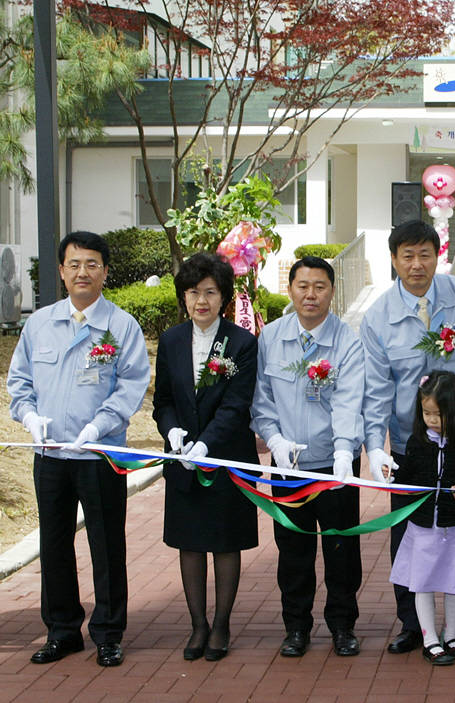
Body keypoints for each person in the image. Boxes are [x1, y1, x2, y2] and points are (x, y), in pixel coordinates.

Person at [361, 220, 455, 654]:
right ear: (393, 260)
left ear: (438, 256)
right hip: (410, 447)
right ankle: (412, 623)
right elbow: (376, 388)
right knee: (410, 532)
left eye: (425, 254)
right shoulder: (378, 316)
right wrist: (374, 446)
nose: (417, 264)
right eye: (407, 255)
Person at [8, 231, 150, 667]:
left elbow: (131, 385)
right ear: (61, 271)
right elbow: (19, 382)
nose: (82, 272)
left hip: (101, 454)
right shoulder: (39, 323)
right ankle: (63, 630)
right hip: (50, 456)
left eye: (92, 264)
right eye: (74, 264)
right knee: (53, 544)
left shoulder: (121, 325)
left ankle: (108, 633)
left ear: (105, 271)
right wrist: (29, 417)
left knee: (106, 544)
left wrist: (99, 426)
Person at [251, 256, 364, 659]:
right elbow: (261, 399)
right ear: (291, 289)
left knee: (341, 553)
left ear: (332, 291)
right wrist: (275, 440)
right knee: (293, 552)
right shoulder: (271, 338)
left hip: (335, 465)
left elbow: (350, 401)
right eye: (303, 286)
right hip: (289, 467)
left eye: (320, 286)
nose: (310, 294)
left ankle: (342, 626)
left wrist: (343, 451)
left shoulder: (348, 341)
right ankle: (296, 627)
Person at [152, 252, 259, 662]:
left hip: (226, 457)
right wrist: (172, 430)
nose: (201, 300)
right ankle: (197, 625)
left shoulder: (242, 343)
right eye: (193, 292)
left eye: (210, 292)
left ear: (224, 297)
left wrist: (206, 445)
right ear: (183, 296)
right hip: (181, 460)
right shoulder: (171, 340)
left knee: (225, 543)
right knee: (190, 544)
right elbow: (162, 401)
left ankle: (221, 624)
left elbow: (236, 406)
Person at [389, 371, 455, 665]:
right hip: (423, 528)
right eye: (426, 413)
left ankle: (453, 635)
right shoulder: (416, 443)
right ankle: (430, 639)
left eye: (438, 414)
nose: (432, 420)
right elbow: (406, 481)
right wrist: (393, 477)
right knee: (422, 583)